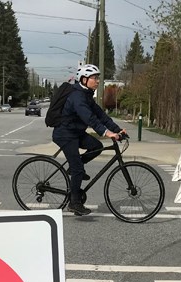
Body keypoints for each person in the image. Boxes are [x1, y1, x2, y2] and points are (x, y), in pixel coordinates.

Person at [52, 64, 127, 216]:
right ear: (85, 79)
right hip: (65, 134)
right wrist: (107, 132)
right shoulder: (77, 96)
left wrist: (117, 129)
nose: (98, 81)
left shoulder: (86, 95)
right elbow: (89, 118)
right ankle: (74, 203)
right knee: (78, 169)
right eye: (95, 78)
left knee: (96, 146)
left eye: (98, 78)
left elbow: (101, 115)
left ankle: (74, 168)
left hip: (76, 133)